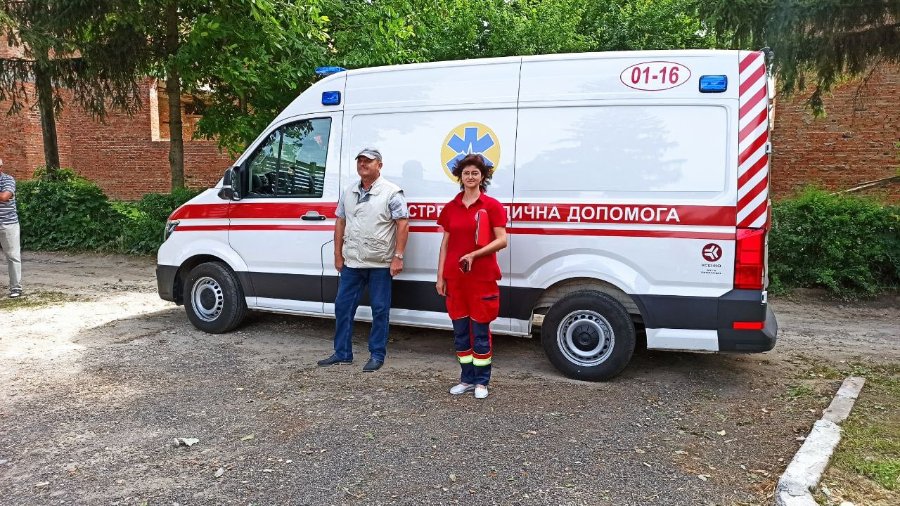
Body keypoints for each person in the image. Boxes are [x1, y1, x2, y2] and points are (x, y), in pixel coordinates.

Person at [317, 148, 409, 372]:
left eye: (368, 161)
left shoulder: (392, 192)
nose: (363, 164)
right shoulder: (349, 191)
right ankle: (342, 353)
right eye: (360, 160)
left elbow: (403, 224)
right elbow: (340, 222)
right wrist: (337, 254)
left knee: (380, 310)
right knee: (343, 307)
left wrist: (398, 257)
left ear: (380, 165)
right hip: (352, 263)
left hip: (379, 263)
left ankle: (377, 354)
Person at [436, 154, 508, 399]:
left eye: (475, 173)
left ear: (482, 176)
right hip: (456, 280)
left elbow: (502, 240)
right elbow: (445, 244)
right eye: (466, 173)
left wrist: (475, 255)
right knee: (460, 333)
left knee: (480, 332)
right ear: (460, 176)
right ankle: (466, 379)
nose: (470, 177)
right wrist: (440, 276)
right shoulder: (451, 207)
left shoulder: (492, 206)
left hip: (481, 279)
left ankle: (482, 382)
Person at [0, 158, 22, 298]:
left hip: (8, 224)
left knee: (13, 256)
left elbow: (4, 196)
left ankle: (16, 288)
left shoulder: (8, 180)